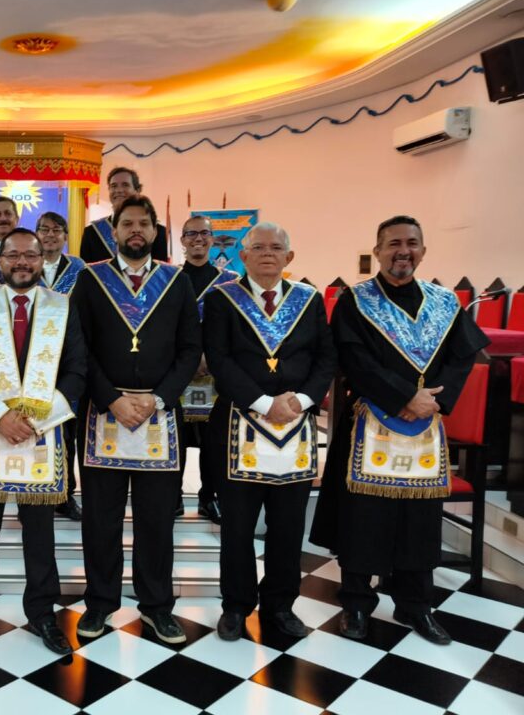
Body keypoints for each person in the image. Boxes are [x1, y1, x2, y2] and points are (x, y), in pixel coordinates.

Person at [310, 215, 488, 645]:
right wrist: (405, 396)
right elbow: (354, 359)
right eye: (393, 244)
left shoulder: (444, 303)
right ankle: (356, 602)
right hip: (369, 421)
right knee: (362, 517)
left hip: (426, 426)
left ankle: (416, 605)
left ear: (423, 251)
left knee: (419, 520)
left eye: (411, 243)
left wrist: (435, 400)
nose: (402, 251)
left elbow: (463, 356)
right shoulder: (356, 301)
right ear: (378, 251)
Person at [0, 228, 86, 655]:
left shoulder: (62, 307)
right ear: (0, 259)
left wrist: (37, 421)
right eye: (13, 255)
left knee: (40, 536)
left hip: (42, 435)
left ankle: (42, 613)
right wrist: (0, 417)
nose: (22, 262)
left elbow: (77, 369)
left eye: (30, 255)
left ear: (43, 260)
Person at [72, 195, 201, 644]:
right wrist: (110, 398)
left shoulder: (176, 280)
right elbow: (78, 345)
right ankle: (99, 603)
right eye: (127, 223)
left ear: (154, 231)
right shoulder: (90, 279)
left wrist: (160, 398)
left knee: (156, 520)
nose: (136, 231)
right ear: (113, 231)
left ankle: (157, 607)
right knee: (100, 520)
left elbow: (190, 348)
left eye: (143, 224)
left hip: (159, 415)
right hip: (103, 412)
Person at [203, 222, 335, 641]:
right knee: (237, 527)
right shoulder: (223, 298)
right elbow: (219, 360)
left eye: (276, 247)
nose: (267, 254)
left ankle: (280, 605)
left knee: (287, 526)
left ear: (289, 257)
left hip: (296, 424)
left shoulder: (309, 299)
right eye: (258, 247)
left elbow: (326, 358)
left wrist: (303, 400)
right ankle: (235, 606)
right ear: (243, 256)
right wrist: (263, 402)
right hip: (239, 423)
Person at [178, 215, 240, 523]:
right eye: (191, 234)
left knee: (214, 441)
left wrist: (209, 357)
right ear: (182, 240)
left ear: (213, 239)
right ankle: (172, 496)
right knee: (175, 437)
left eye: (204, 233)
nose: (198, 239)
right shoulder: (169, 278)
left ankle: (209, 497)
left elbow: (234, 327)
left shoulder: (230, 280)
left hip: (216, 371)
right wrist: (188, 359)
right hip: (178, 370)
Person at [36, 211, 87, 520]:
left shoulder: (80, 269)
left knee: (67, 430)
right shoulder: (26, 264)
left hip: (68, 359)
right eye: (44, 229)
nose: (50, 235)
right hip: (31, 360)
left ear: (66, 236)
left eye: (57, 230)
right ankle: (32, 490)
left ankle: (65, 494)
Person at [79, 167, 169, 263]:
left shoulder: (159, 232)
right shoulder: (92, 233)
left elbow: (160, 270)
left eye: (125, 185)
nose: (119, 190)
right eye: (114, 186)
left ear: (137, 190)